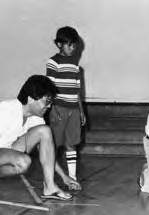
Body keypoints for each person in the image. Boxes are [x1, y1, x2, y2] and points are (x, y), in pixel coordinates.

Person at [0, 75, 81, 205]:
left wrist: (64, 177)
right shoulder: (3, 112)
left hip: (10, 149)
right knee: (23, 162)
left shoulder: (35, 117)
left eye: (51, 102)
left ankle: (50, 187)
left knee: (45, 131)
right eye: (46, 101)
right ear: (31, 99)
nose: (49, 106)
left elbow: (47, 151)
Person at [46, 26, 86, 185]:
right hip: (59, 109)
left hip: (74, 110)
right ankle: (49, 181)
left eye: (74, 45)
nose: (72, 48)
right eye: (69, 44)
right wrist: (53, 109)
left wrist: (81, 111)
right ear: (59, 44)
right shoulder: (53, 62)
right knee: (54, 145)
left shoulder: (76, 66)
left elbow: (77, 91)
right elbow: (49, 88)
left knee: (71, 144)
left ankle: (72, 179)